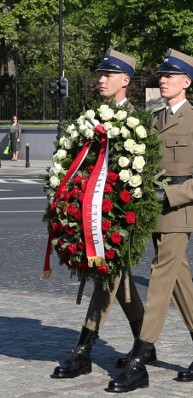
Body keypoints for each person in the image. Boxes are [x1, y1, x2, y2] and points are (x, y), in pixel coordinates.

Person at [107, 49, 193, 392]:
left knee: (159, 280)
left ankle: (139, 362)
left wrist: (171, 195)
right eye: (162, 75)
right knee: (179, 282)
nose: (163, 80)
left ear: (186, 82)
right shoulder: (154, 117)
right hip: (152, 211)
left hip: (178, 211)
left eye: (171, 76)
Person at [51, 48, 150, 380]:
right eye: (100, 74)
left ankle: (83, 351)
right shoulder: (91, 119)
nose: (101, 79)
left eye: (109, 74)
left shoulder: (136, 123)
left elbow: (140, 176)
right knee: (121, 285)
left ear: (125, 80)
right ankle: (145, 343)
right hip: (92, 215)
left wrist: (116, 217)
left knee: (108, 279)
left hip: (118, 218)